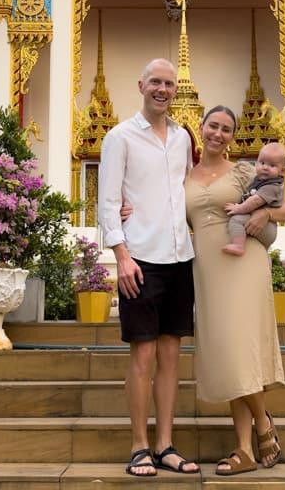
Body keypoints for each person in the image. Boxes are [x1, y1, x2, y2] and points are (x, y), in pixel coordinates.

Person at [97, 58, 200, 478]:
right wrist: (121, 255)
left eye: (169, 83)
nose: (162, 89)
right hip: (139, 259)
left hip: (180, 258)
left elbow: (190, 192)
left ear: (176, 90)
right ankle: (140, 446)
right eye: (155, 82)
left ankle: (165, 444)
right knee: (143, 353)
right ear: (141, 85)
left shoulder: (181, 140)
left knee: (172, 356)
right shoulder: (119, 137)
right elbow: (106, 200)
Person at [186, 107, 285, 475]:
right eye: (213, 126)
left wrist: (266, 215)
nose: (218, 133)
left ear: (233, 136)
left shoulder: (245, 171)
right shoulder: (183, 178)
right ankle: (246, 447)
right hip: (209, 270)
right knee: (230, 354)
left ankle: (259, 432)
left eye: (226, 129)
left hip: (244, 264)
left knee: (240, 351)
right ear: (200, 129)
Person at [222, 141, 285, 256]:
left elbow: (255, 201)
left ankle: (238, 245)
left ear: (282, 170)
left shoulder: (272, 186)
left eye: (272, 165)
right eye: (262, 163)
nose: (265, 167)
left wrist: (239, 208)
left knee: (236, 220)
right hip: (258, 223)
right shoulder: (258, 180)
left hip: (267, 226)